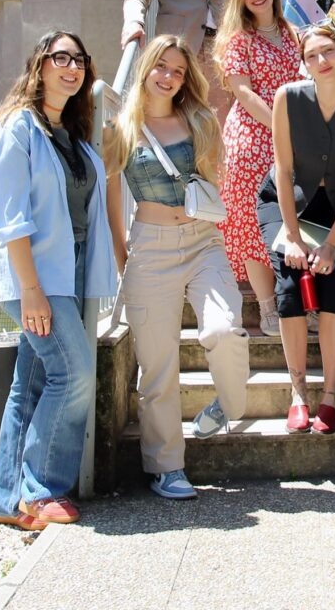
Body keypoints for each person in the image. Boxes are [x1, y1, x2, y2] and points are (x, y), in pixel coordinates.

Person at [0, 30, 117, 529]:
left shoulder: (71, 136)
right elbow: (9, 215)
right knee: (74, 372)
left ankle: (5, 499)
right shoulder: (18, 127)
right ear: (40, 65)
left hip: (69, 266)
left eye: (79, 59)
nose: (72, 67)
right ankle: (41, 491)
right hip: (34, 273)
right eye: (61, 57)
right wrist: (30, 288)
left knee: (31, 381)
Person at [104, 35, 250, 499]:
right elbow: (111, 199)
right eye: (161, 67)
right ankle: (167, 466)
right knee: (159, 367)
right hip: (150, 247)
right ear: (145, 68)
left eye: (178, 71)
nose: (168, 77)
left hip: (204, 242)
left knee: (224, 330)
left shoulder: (201, 119)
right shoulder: (120, 129)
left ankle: (230, 403)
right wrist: (124, 253)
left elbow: (216, 182)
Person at [257, 22, 335, 435]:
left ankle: (329, 397)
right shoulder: (287, 97)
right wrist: (292, 236)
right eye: (311, 55)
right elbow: (284, 168)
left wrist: (331, 245)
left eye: (327, 51)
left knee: (329, 289)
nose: (321, 61)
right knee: (291, 287)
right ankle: (298, 394)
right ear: (303, 63)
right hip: (286, 200)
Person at [214, 0, 300, 334]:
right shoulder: (239, 40)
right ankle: (268, 308)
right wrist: (281, 127)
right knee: (251, 222)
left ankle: (296, 299)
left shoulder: (292, 32)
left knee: (292, 218)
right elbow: (243, 93)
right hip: (252, 138)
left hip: (293, 136)